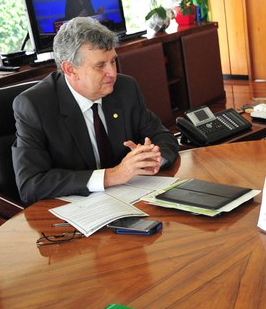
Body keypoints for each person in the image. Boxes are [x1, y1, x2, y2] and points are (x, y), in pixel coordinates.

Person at [12, 17, 179, 205]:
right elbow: (30, 184)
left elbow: (164, 137)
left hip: (132, 199)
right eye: (100, 66)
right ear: (70, 69)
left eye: (113, 61)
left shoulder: (126, 88)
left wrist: (153, 158)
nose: (113, 73)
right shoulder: (34, 106)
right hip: (74, 212)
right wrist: (112, 176)